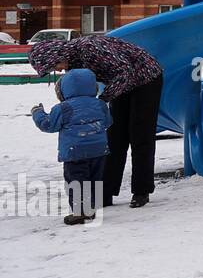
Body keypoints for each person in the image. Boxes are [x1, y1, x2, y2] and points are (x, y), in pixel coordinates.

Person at [29, 35, 164, 209]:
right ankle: (105, 192)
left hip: (145, 78)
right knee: (115, 136)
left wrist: (102, 100)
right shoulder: (73, 63)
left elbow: (125, 72)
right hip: (120, 83)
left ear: (57, 55)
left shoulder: (90, 48)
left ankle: (141, 191)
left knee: (140, 134)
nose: (59, 70)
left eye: (55, 66)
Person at [31, 68, 113, 226]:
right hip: (98, 150)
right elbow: (108, 122)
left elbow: (48, 125)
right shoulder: (100, 104)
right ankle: (90, 209)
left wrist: (37, 113)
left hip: (74, 151)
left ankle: (79, 213)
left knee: (75, 181)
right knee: (94, 179)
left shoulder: (63, 108)